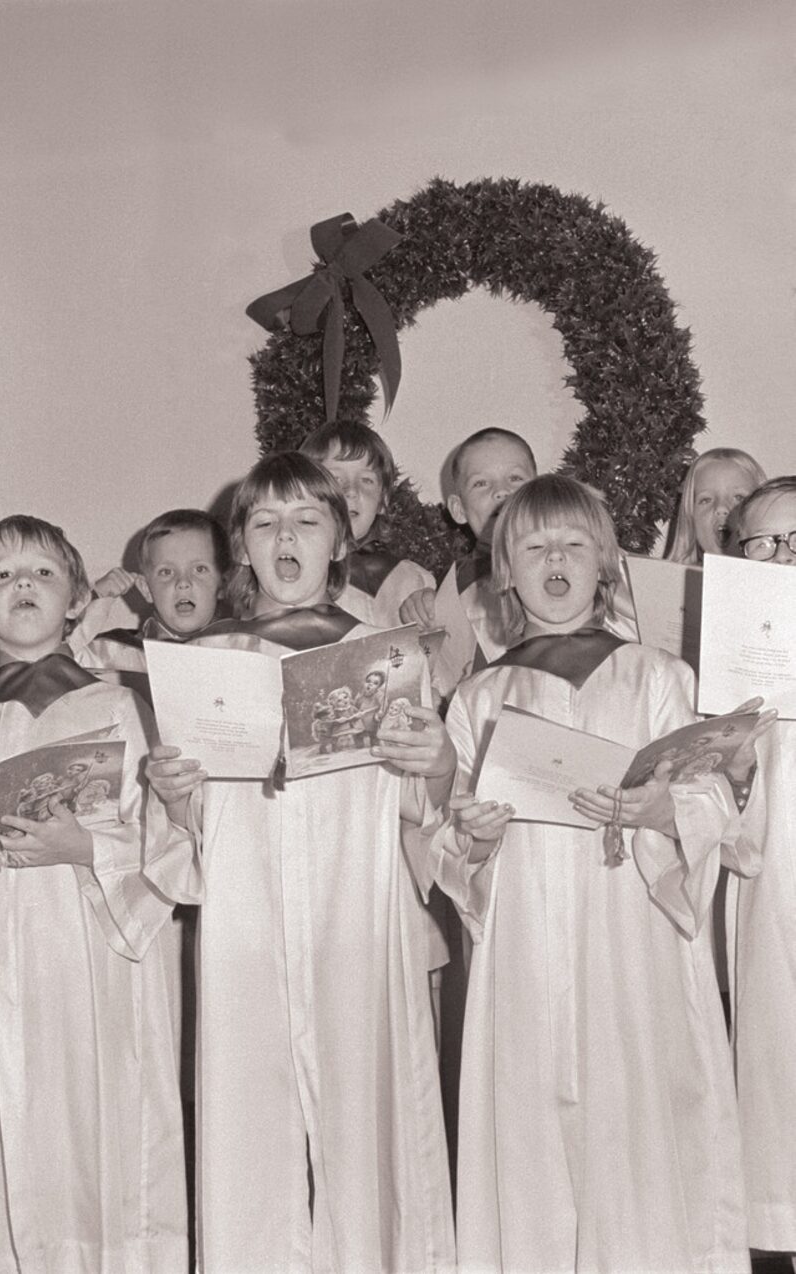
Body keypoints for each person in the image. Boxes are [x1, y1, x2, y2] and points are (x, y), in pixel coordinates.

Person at [427, 474, 771, 1274]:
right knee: (531, 1116)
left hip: (634, 932)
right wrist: (473, 840)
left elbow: (715, 795)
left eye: (575, 544)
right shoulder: (479, 695)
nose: (556, 558)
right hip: (527, 940)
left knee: (642, 1108)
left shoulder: (658, 677)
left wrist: (663, 812)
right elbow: (451, 848)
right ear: (504, 572)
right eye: (533, 545)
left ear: (606, 564)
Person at [144, 452, 456, 1274]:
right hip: (248, 906)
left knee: (371, 1107)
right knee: (249, 1112)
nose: (287, 536)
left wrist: (433, 758)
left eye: (307, 520)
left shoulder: (385, 654)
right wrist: (175, 792)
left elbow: (425, 808)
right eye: (265, 522)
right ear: (241, 548)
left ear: (339, 540)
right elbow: (182, 834)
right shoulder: (204, 661)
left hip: (359, 900)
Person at [0, 515, 188, 1273]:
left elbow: (167, 843)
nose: (22, 585)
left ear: (77, 602)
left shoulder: (116, 706)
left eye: (42, 573)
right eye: (1, 576)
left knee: (90, 1123)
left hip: (87, 949)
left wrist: (85, 847)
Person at [725, 475, 796, 1259]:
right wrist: (733, 766)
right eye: (764, 545)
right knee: (778, 1069)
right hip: (773, 883)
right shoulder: (731, 665)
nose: (782, 558)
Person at [401, 427, 538, 694]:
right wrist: (423, 615)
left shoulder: (580, 557)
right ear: (459, 509)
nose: (501, 492)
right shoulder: (458, 583)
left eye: (515, 478)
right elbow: (442, 680)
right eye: (481, 483)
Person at [299, 420, 434, 628]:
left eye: (366, 480)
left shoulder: (412, 580)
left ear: (383, 501)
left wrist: (429, 615)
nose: (351, 491)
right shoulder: (290, 576)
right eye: (335, 479)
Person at [74, 507, 235, 671]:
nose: (183, 582)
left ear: (222, 584)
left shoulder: (241, 648)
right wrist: (97, 599)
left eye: (199, 569)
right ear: (146, 589)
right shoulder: (115, 651)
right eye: (166, 572)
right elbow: (57, 659)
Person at [664, 447, 766, 564]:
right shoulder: (672, 580)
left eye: (739, 498)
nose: (721, 508)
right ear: (690, 519)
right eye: (706, 500)